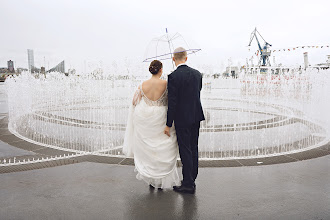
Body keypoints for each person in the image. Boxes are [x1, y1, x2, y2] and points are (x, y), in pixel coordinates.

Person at [123, 60, 180, 189]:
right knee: (161, 149)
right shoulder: (166, 84)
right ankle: (159, 181)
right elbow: (171, 101)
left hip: (146, 119)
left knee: (149, 149)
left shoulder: (142, 85)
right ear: (160, 70)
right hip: (161, 118)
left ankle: (151, 180)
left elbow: (134, 102)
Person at [164, 47, 205, 194]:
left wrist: (168, 124)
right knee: (193, 147)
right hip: (196, 116)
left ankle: (188, 184)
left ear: (173, 59)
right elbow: (197, 93)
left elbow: (172, 103)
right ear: (186, 58)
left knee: (185, 150)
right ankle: (191, 178)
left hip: (182, 119)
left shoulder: (173, 77)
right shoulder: (197, 74)